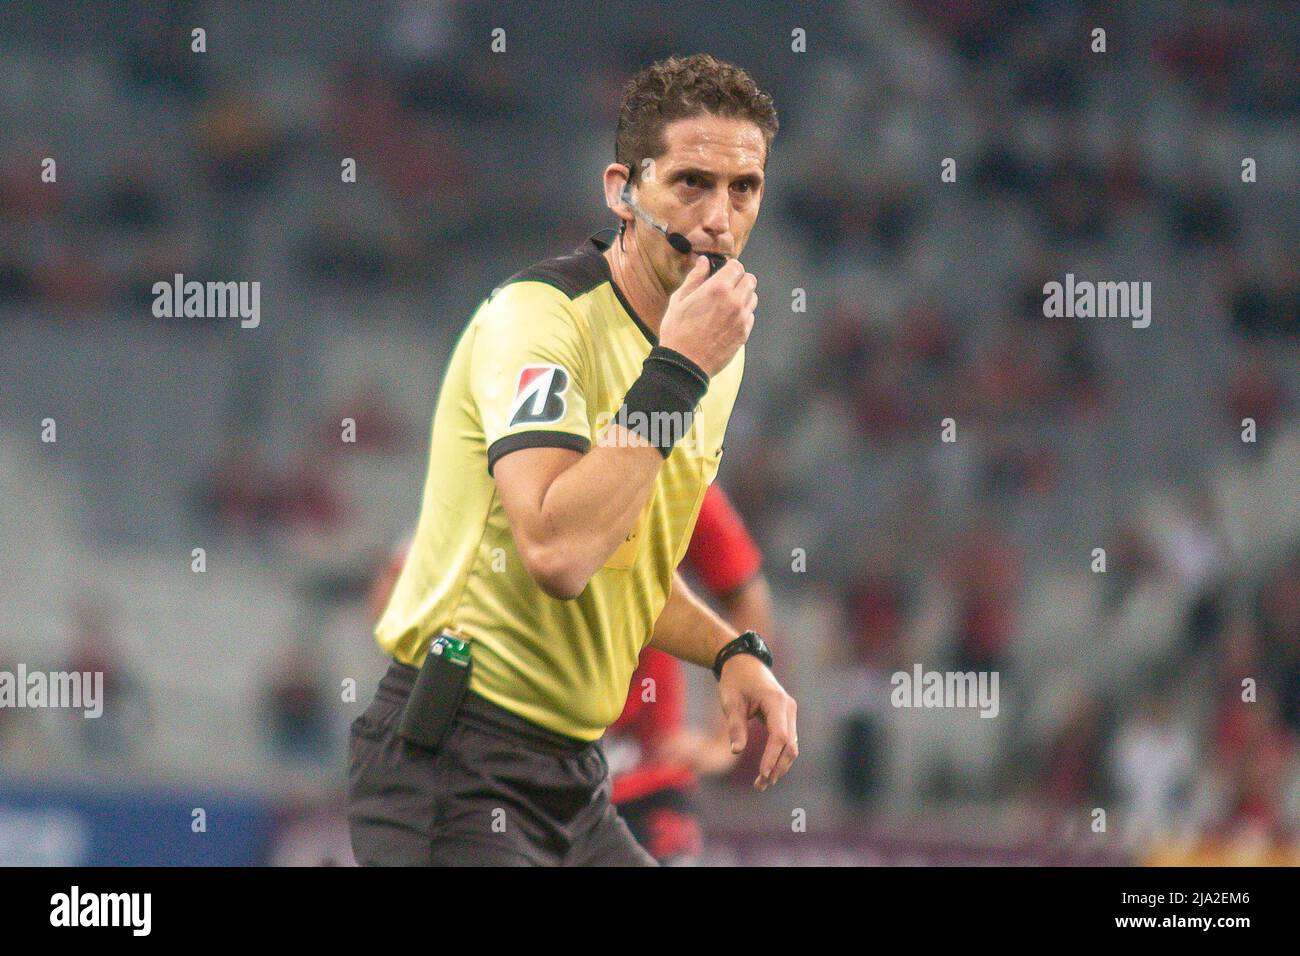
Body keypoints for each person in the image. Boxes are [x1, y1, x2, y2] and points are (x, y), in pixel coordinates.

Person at [347, 53, 797, 866]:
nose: (720, 219)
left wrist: (732, 651)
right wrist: (680, 370)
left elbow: (627, 573)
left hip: (572, 777)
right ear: (622, 189)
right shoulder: (539, 322)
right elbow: (559, 554)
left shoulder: (711, 356)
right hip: (454, 765)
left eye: (745, 188)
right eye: (691, 183)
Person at [607, 482, 774, 864]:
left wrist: (724, 741)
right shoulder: (532, 457)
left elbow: (748, 597)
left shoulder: (675, 474)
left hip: (645, 780)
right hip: (539, 773)